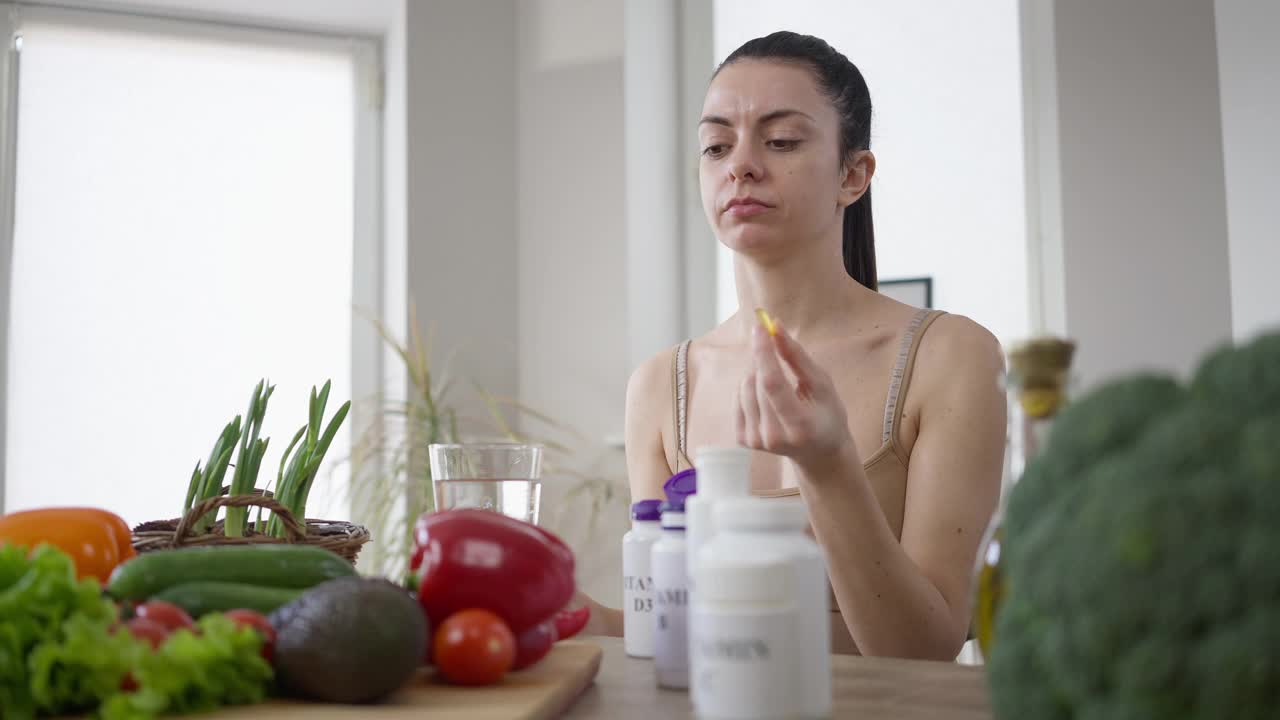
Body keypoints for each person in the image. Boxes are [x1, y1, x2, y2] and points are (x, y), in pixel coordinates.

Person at [576, 31, 1006, 660]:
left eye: (780, 141)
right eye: (716, 145)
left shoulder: (950, 358)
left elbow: (924, 651)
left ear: (852, 175)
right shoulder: (661, 385)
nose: (740, 165)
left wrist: (829, 468)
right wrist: (591, 622)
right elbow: (674, 631)